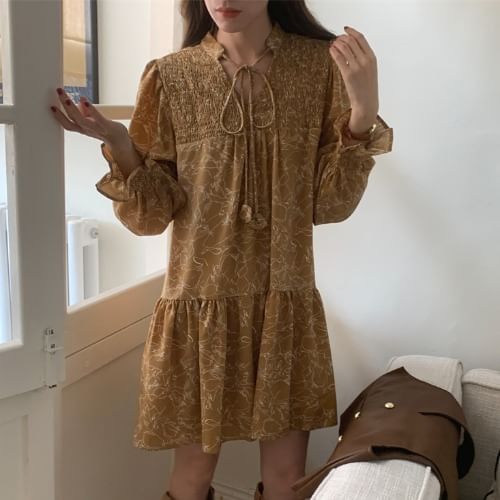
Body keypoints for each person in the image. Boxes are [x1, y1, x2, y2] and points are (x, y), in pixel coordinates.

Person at [49, 1, 393, 499]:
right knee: (191, 479)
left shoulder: (318, 68)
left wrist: (362, 113)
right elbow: (151, 216)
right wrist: (120, 144)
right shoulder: (170, 76)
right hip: (198, 309)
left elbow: (329, 203)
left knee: (286, 481)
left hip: (283, 308)